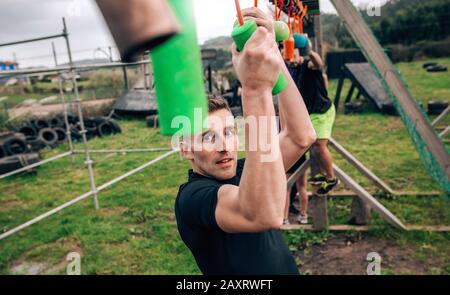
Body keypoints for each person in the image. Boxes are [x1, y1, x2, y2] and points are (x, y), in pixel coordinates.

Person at [175, 8, 316, 275]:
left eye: (229, 132)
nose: (224, 145)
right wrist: (254, 90)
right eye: (208, 137)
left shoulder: (246, 169)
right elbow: (262, 213)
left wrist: (273, 54)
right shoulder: (192, 199)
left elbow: (301, 136)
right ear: (185, 148)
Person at [286, 43, 338, 198]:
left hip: (321, 111)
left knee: (319, 146)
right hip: (312, 113)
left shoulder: (308, 65)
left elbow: (318, 63)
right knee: (310, 144)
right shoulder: (295, 70)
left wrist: (308, 51)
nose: (290, 58)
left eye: (292, 53)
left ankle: (331, 178)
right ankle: (323, 172)